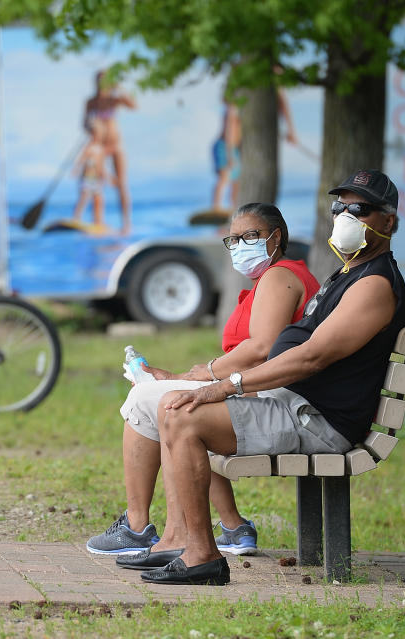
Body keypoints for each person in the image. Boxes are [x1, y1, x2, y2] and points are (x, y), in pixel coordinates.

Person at [131, 170, 405, 585]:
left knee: (182, 416)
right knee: (174, 405)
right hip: (295, 404)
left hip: (317, 419)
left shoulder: (374, 284)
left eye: (359, 209)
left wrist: (225, 386)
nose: (345, 216)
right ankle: (184, 541)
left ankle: (201, 554)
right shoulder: (350, 273)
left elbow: (310, 357)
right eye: (339, 207)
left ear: (389, 222)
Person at [85, 203, 320, 556]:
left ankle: (136, 527)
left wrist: (201, 375)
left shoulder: (279, 276)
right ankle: (233, 526)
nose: (241, 245)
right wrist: (186, 378)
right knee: (173, 401)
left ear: (276, 237)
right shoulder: (272, 279)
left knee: (147, 400)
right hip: (259, 391)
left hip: (272, 398)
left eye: (251, 236)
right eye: (234, 239)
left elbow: (262, 348)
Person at [83, 71, 136, 235]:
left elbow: (132, 105)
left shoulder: (114, 100)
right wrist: (90, 126)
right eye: (99, 80)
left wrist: (118, 88)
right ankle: (98, 222)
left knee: (121, 184)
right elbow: (84, 123)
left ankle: (126, 223)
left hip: (116, 145)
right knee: (97, 184)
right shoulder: (91, 102)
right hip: (99, 146)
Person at [70, 118, 112, 227]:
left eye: (98, 134)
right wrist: (76, 169)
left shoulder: (101, 149)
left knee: (99, 200)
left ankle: (98, 221)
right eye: (95, 134)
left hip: (97, 179)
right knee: (84, 198)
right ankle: (76, 218)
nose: (97, 136)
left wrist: (106, 176)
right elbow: (81, 160)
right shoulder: (88, 147)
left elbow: (102, 165)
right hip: (87, 177)